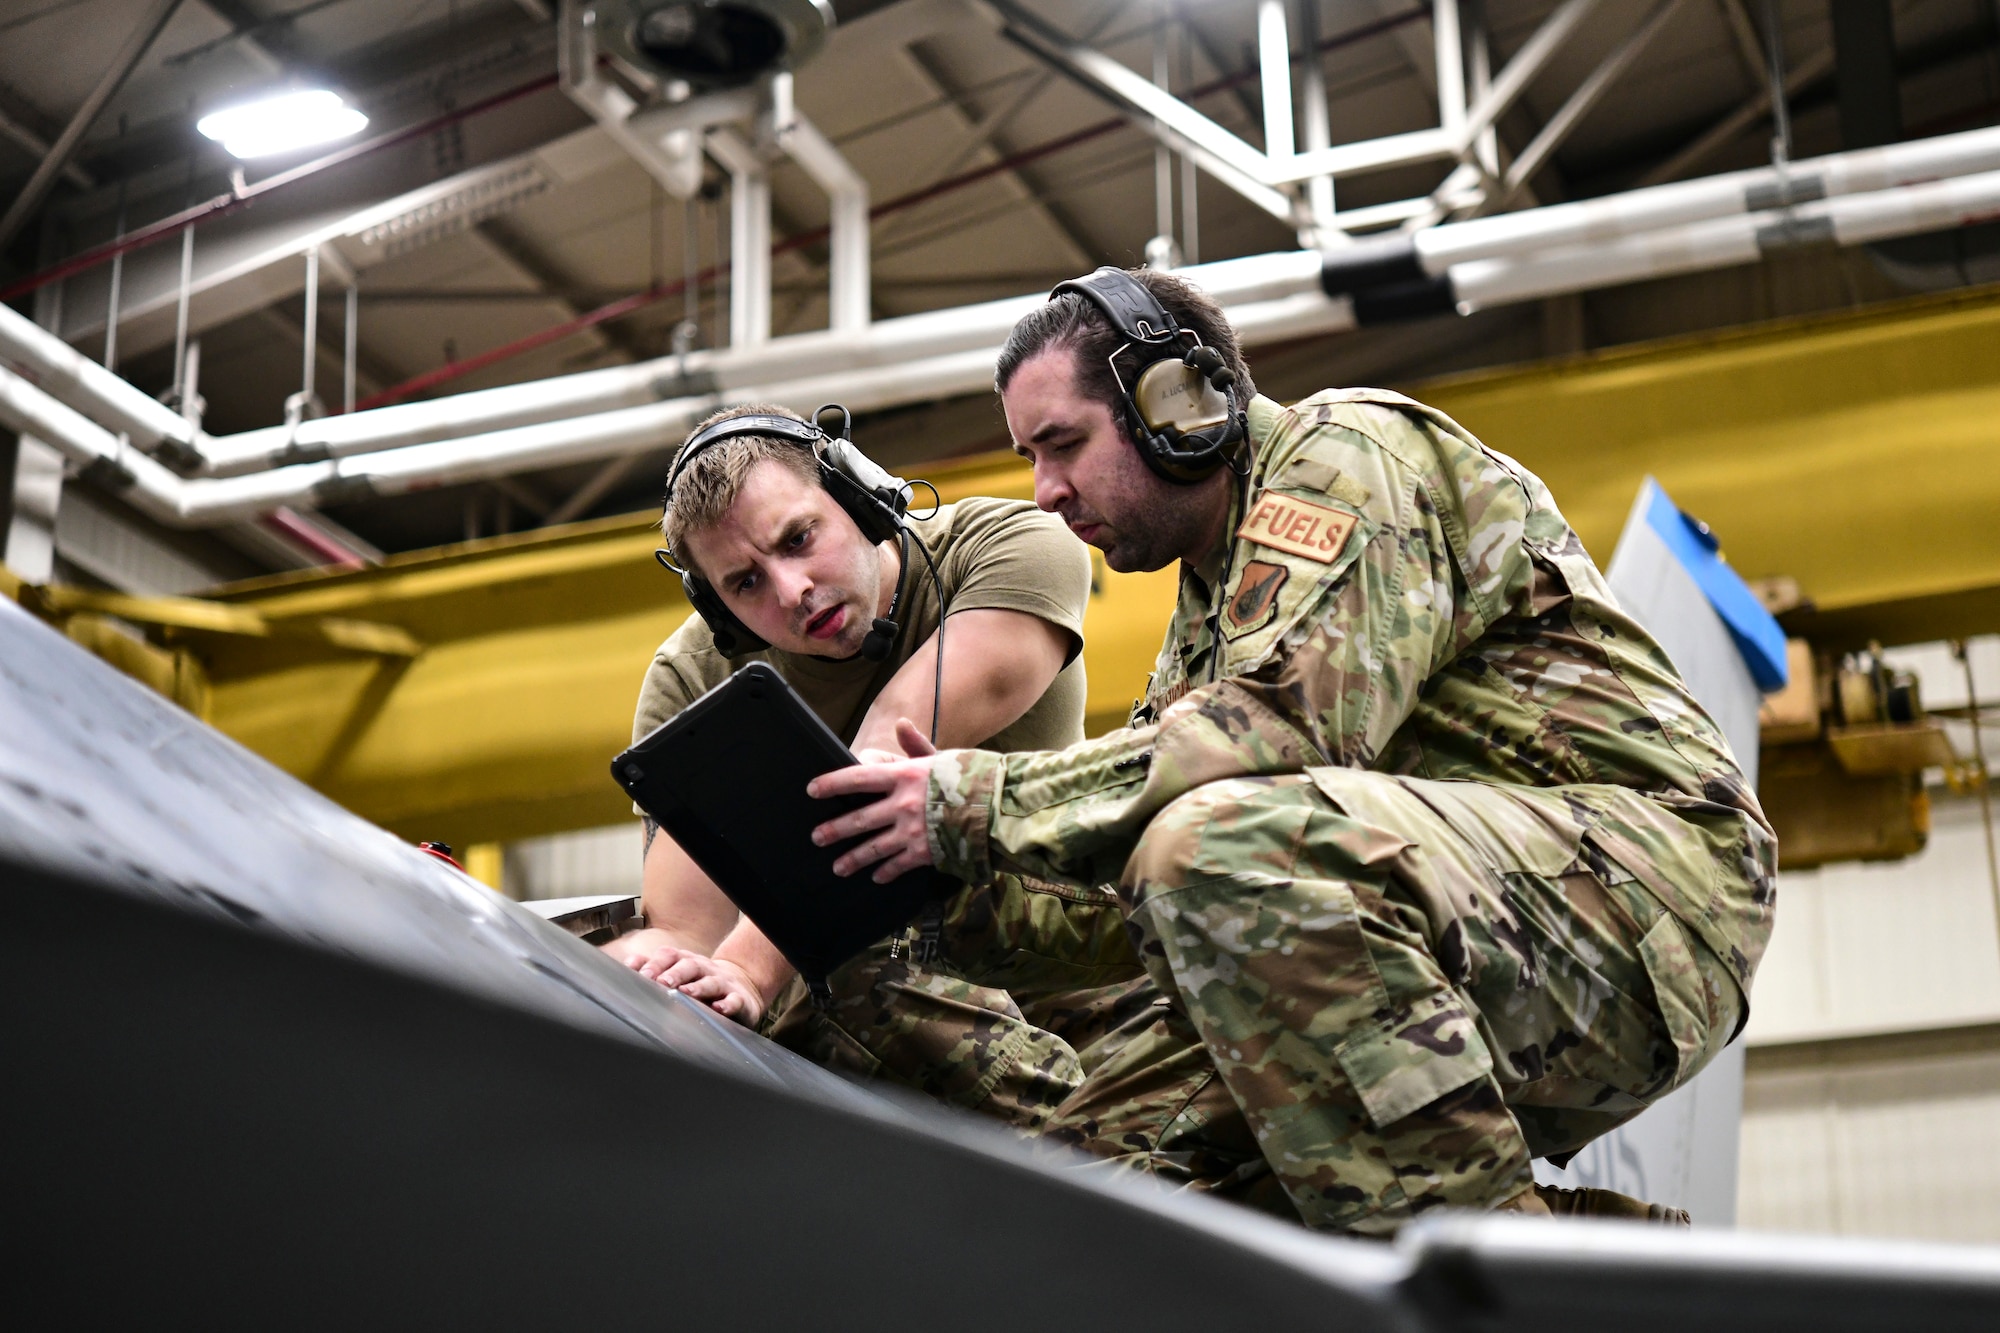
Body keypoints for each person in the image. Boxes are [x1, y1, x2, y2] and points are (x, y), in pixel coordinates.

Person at [805, 267, 1777, 1236]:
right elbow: (1117, 904)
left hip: (1644, 901)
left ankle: (1504, 1282)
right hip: (1464, 923)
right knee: (1095, 1174)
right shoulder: (1207, 618)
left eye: (1062, 445)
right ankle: (1593, 1259)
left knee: (1213, 844)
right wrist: (917, 896)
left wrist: (968, 803)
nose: (1044, 491)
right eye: (1028, 458)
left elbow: (1285, 737)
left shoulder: (1346, 452)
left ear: (1175, 404)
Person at [603, 403, 1151, 1131]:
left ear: (857, 496)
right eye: (744, 584)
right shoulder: (690, 679)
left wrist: (748, 970)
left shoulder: (1010, 546)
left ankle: (1092, 1161)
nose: (792, 591)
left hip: (1067, 938)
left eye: (800, 538)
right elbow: (689, 929)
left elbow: (875, 771)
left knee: (853, 934)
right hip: (895, 993)